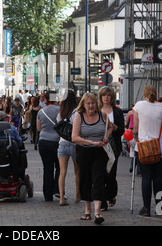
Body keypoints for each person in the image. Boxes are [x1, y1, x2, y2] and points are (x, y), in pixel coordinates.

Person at [72, 92, 113, 224]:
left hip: (100, 152)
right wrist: (91, 142)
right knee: (85, 179)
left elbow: (111, 127)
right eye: (88, 103)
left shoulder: (102, 115)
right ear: (83, 105)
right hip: (84, 151)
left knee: (98, 179)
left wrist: (106, 136)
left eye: (93, 103)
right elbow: (74, 137)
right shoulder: (79, 117)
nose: (91, 106)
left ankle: (97, 213)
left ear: (97, 104)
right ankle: (87, 210)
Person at [133, 85, 162, 217]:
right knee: (158, 177)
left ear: (144, 94)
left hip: (144, 147)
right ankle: (160, 208)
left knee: (146, 178)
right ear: (156, 93)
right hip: (160, 147)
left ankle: (146, 209)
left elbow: (136, 128)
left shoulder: (138, 105)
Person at [98, 86, 124, 210]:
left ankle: (111, 194)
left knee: (110, 174)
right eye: (104, 95)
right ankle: (102, 201)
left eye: (108, 95)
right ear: (101, 97)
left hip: (113, 147)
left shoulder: (117, 112)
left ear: (112, 97)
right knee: (100, 173)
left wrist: (111, 125)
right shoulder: (97, 111)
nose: (106, 97)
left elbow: (121, 131)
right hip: (99, 146)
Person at [56, 89, 80, 206]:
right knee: (77, 172)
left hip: (62, 144)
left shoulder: (60, 113)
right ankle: (77, 195)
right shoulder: (77, 112)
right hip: (75, 143)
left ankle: (61, 198)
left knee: (62, 172)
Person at [36, 92, 60, 202]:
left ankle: (47, 195)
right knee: (59, 167)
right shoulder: (60, 110)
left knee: (47, 168)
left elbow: (38, 128)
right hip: (57, 142)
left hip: (44, 142)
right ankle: (57, 189)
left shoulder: (41, 112)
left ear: (45, 100)